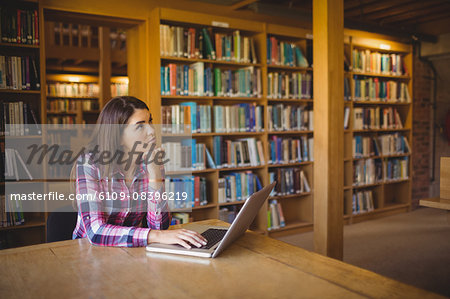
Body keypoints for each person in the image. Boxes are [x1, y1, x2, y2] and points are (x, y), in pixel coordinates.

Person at [71, 96, 207, 248]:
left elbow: (159, 227)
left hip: (131, 249)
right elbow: (95, 232)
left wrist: (155, 174)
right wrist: (155, 236)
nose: (151, 131)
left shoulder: (151, 161)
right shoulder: (90, 164)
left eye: (150, 121)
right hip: (90, 251)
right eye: (140, 126)